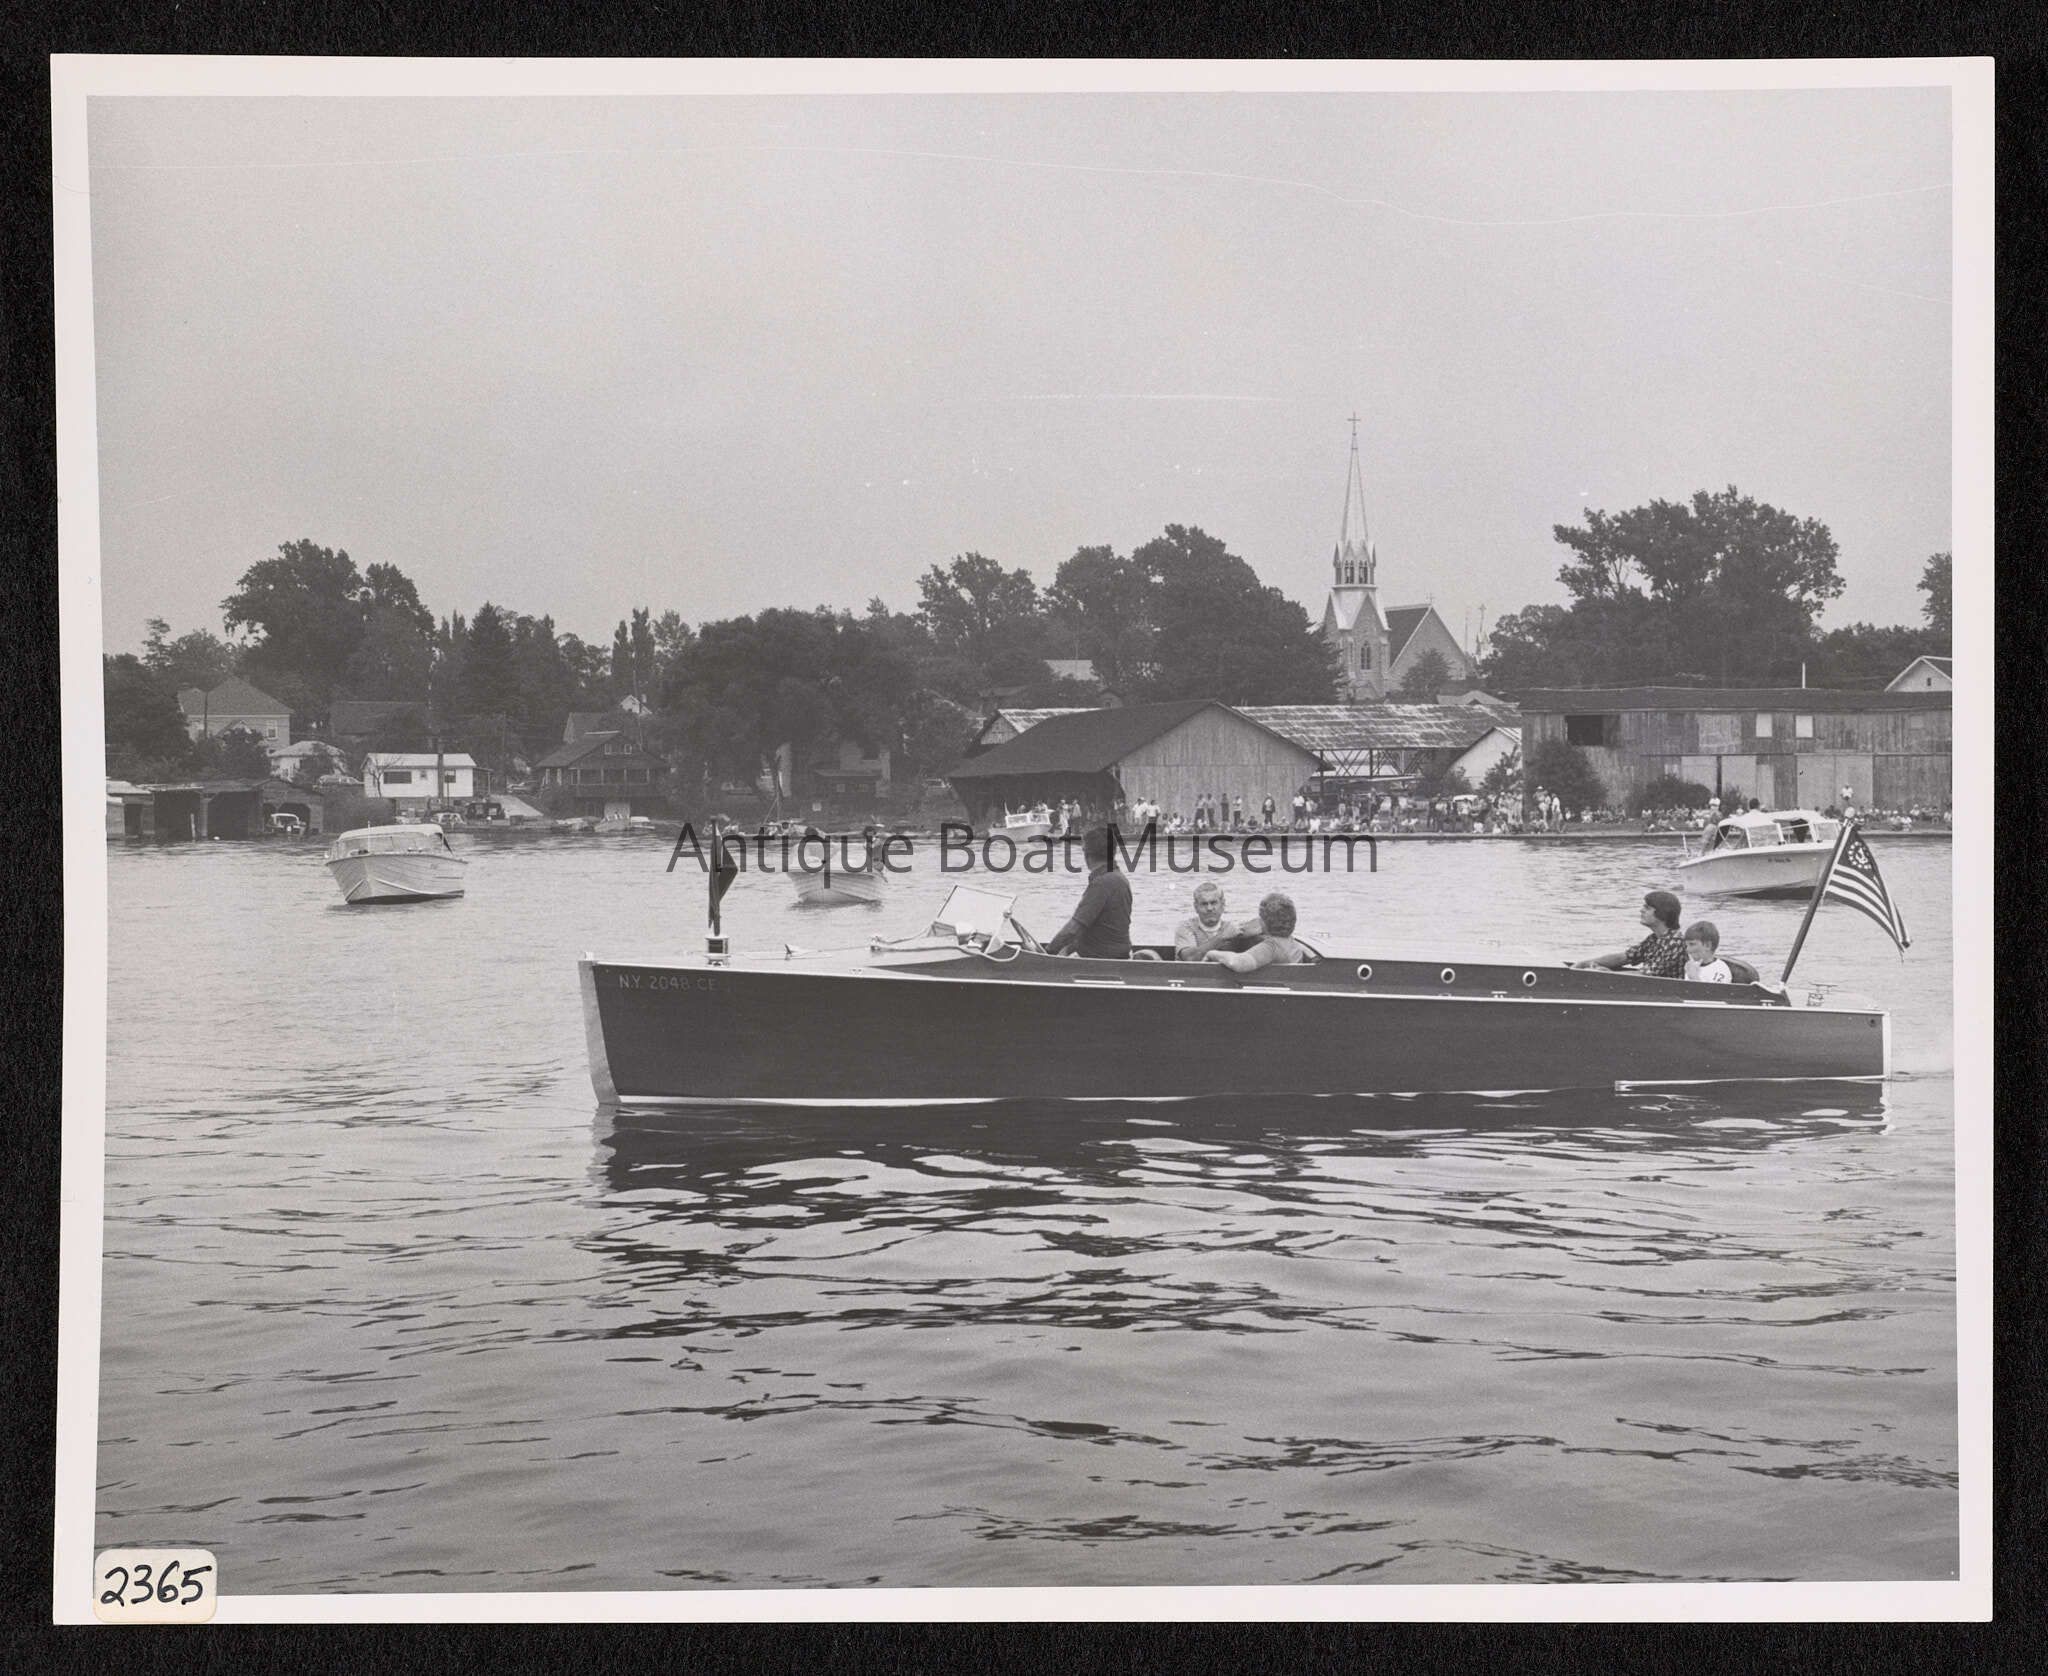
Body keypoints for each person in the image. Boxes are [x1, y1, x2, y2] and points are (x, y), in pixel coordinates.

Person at [1045, 826, 1132, 960]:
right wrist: (1067, 948)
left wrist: (1047, 953)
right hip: (1117, 954)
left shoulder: (1101, 883)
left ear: (1086, 854)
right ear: (1113, 852)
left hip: (1101, 959)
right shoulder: (1120, 878)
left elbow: (1073, 929)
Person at [1569, 889, 1687, 978]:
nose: (1641, 910)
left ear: (1662, 913)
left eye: (1647, 908)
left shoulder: (1675, 942)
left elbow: (1646, 975)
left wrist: (1608, 974)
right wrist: (1586, 963)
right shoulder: (1654, 939)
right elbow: (1624, 957)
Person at [1203, 892, 1309, 973]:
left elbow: (1238, 963)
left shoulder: (1271, 947)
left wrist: (1212, 953)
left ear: (1263, 921)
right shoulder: (1291, 942)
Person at [1174, 881, 1261, 961]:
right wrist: (1222, 937)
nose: (1209, 908)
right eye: (1204, 904)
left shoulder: (1231, 927)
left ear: (1223, 905)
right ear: (1196, 907)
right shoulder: (1185, 927)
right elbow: (1189, 957)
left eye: (1213, 903)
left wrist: (1257, 931)